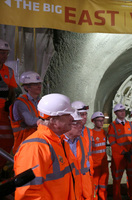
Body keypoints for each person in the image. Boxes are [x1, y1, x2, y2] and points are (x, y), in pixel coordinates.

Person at [14, 93, 76, 199]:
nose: (72, 118)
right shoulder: (35, 147)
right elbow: (28, 194)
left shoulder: (58, 142)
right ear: (52, 120)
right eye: (67, 115)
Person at [108, 103, 132, 200]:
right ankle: (117, 198)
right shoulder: (112, 126)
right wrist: (124, 152)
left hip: (131, 156)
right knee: (117, 179)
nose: (123, 113)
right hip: (119, 158)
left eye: (124, 111)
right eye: (120, 111)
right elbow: (112, 142)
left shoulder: (130, 124)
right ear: (116, 113)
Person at [62, 111, 93, 199]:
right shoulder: (59, 143)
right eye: (76, 124)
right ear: (67, 125)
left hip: (84, 191)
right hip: (69, 192)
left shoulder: (82, 141)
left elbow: (85, 166)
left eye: (80, 123)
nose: (80, 126)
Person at [10, 71, 42, 154]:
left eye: (39, 83)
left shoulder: (40, 101)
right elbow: (30, 121)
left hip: (37, 141)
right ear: (27, 87)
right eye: (35, 84)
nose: (39, 86)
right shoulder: (20, 103)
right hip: (24, 144)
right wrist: (47, 121)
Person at [0, 39, 17, 170]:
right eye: (2, 53)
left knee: (7, 140)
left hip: (3, 112)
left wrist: (10, 103)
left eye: (6, 53)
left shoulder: (9, 71)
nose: (4, 56)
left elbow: (12, 90)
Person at [71, 101, 94, 175]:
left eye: (85, 114)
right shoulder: (68, 133)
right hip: (76, 171)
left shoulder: (89, 131)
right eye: (82, 114)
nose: (84, 117)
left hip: (88, 170)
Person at [91, 111, 109, 200]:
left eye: (102, 120)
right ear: (93, 121)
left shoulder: (104, 133)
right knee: (94, 187)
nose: (101, 122)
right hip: (95, 165)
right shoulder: (90, 133)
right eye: (99, 121)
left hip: (104, 164)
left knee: (103, 186)